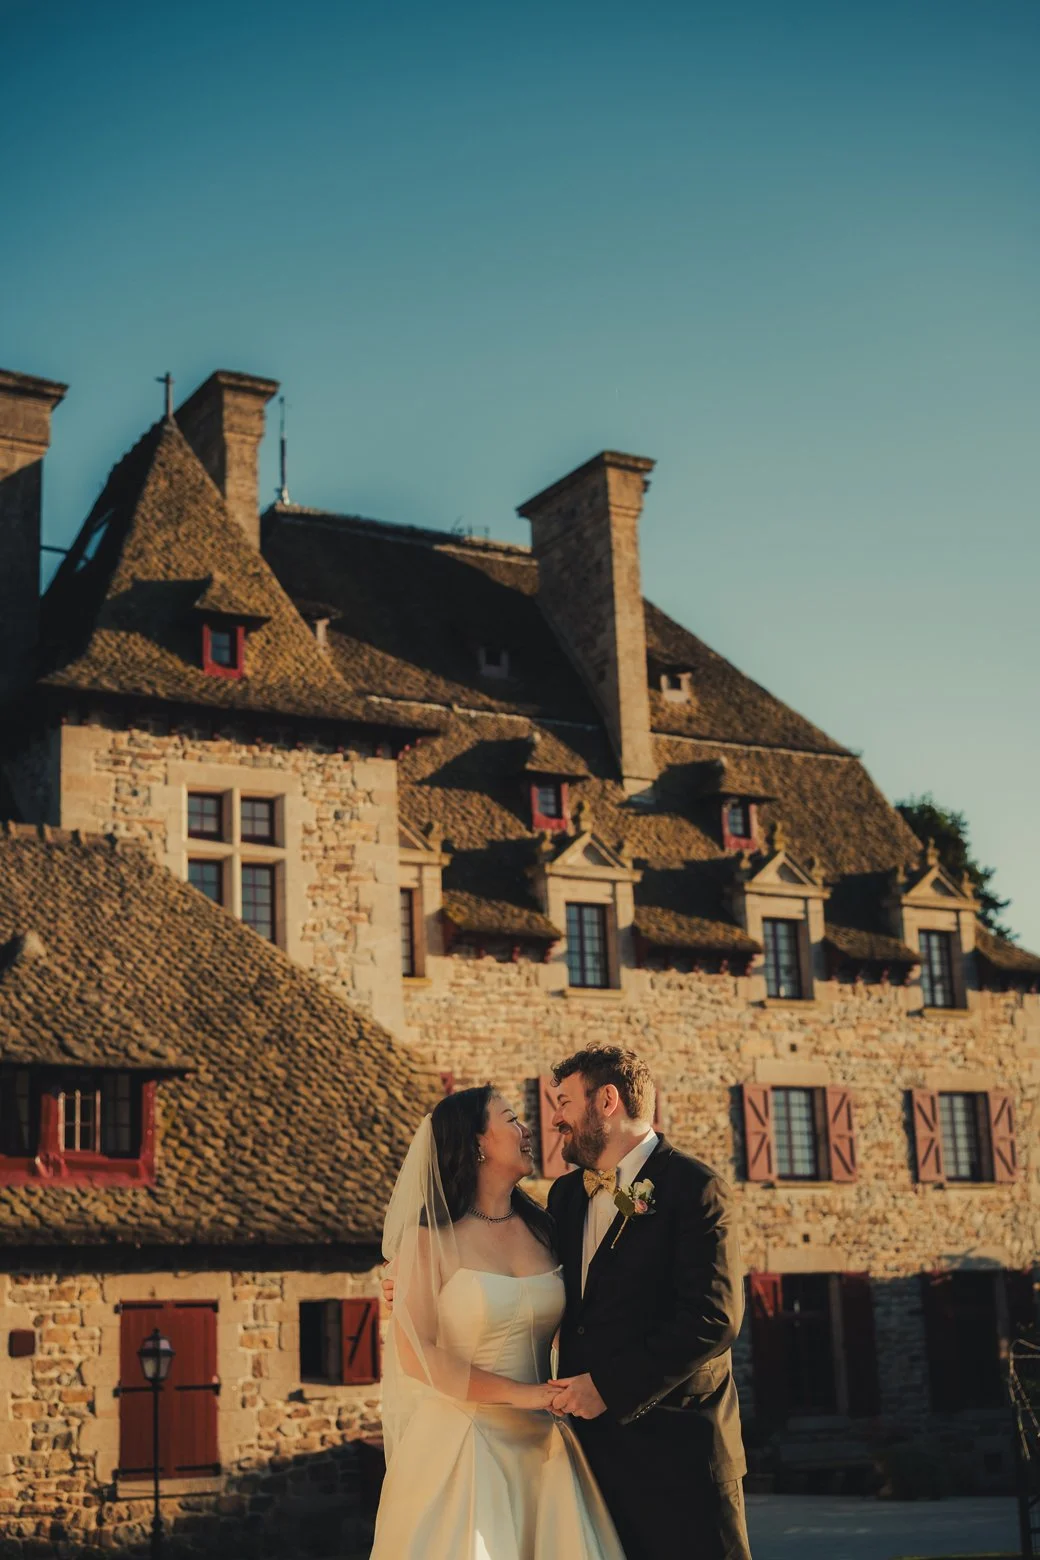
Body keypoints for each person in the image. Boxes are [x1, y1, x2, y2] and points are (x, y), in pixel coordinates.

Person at [370, 1084, 625, 1560]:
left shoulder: (549, 1230)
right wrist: (525, 1394)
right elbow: (417, 1355)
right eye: (511, 1119)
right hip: (464, 1445)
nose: (528, 1130)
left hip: (546, 1445)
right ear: (477, 1142)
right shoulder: (427, 1241)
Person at [547, 1045, 751, 1560]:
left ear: (607, 1100)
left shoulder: (696, 1188)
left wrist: (609, 1388)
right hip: (591, 1461)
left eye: (565, 1102)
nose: (555, 1119)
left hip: (681, 1459)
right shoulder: (565, 1197)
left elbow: (714, 1318)